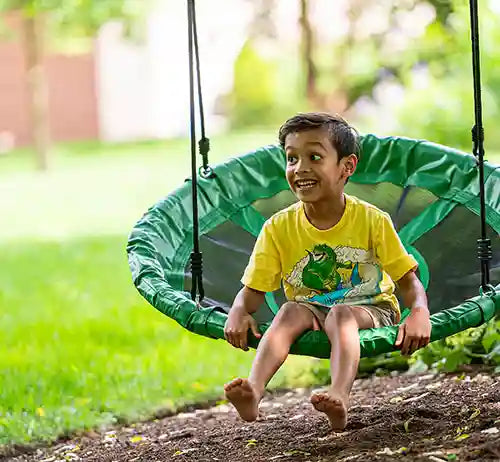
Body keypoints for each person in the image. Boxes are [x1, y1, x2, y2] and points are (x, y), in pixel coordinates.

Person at [223, 112, 431, 431]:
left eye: (314, 156)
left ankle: (340, 396)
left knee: (341, 316)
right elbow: (252, 291)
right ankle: (254, 390)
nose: (300, 168)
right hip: (312, 307)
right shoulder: (278, 228)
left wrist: (418, 311)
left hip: (371, 306)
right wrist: (239, 311)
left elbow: (407, 280)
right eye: (292, 159)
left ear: (346, 166)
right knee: (290, 310)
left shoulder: (372, 220)